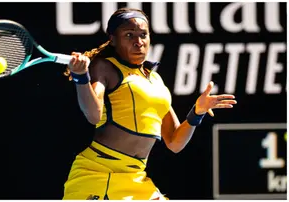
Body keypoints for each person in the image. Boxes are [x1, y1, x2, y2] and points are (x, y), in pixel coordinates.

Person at [62, 8, 237, 200]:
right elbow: (93, 115)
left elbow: (174, 142)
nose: (139, 42)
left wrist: (197, 112)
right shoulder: (105, 67)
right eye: (129, 35)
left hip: (136, 178)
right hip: (99, 173)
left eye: (143, 35)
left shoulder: (155, 80)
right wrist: (81, 77)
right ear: (113, 40)